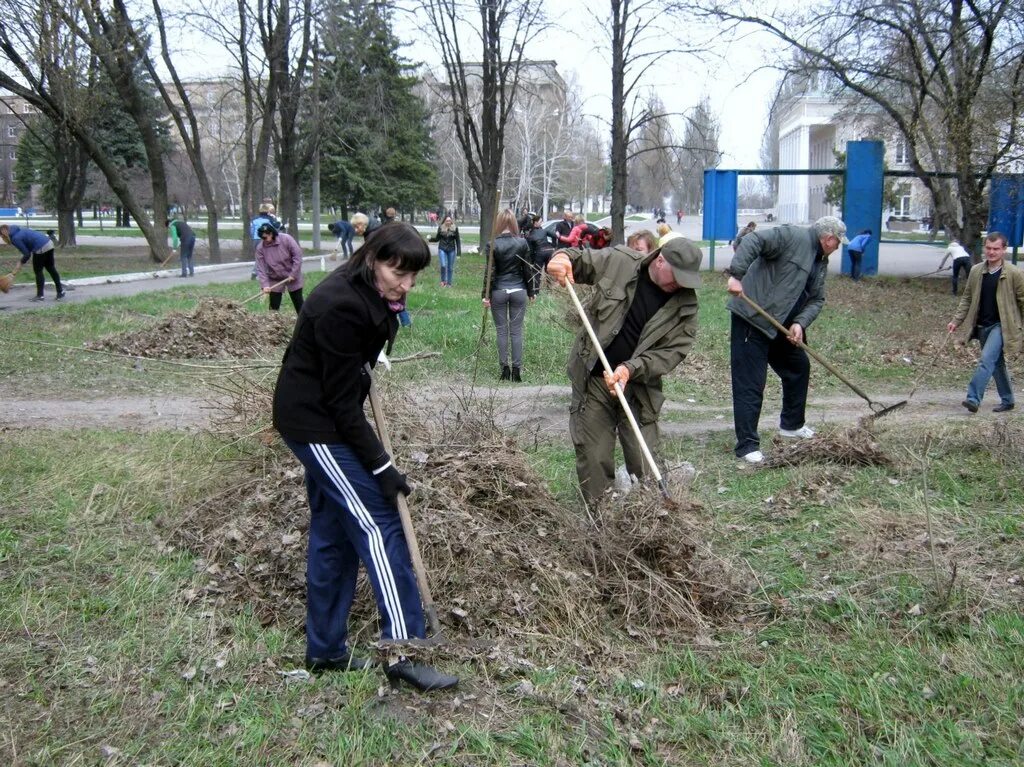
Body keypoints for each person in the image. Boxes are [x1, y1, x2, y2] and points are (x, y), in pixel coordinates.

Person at [272, 223, 458, 692]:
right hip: (317, 425)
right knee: (379, 524)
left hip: (325, 415)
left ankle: (326, 651)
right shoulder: (341, 304)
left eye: (414, 277)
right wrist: (382, 467)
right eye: (399, 272)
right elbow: (338, 405)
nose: (406, 285)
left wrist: (364, 362)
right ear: (373, 256)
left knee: (334, 534)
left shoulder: (368, 291)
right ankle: (404, 650)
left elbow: (349, 375)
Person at [547, 231, 701, 505]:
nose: (680, 285)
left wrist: (630, 369)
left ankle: (654, 522)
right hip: (594, 380)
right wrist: (561, 258)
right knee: (594, 457)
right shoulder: (620, 262)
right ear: (660, 260)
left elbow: (671, 353)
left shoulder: (686, 306)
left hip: (639, 389)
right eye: (677, 276)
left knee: (646, 462)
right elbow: (579, 260)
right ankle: (601, 527)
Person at [725, 215, 848, 464]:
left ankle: (791, 425)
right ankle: (747, 445)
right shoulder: (792, 236)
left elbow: (817, 299)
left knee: (798, 368)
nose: (837, 248)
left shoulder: (820, 260)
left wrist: (800, 323)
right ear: (829, 239)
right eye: (838, 243)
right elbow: (753, 240)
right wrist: (736, 275)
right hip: (753, 318)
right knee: (751, 382)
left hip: (782, 327)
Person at [947, 232, 1024, 414]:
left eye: (996, 249)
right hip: (981, 325)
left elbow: (1022, 300)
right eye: (988, 248)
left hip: (1003, 326)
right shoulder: (976, 271)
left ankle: (973, 399)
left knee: (986, 360)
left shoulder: (1014, 273)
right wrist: (956, 321)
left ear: (1004, 250)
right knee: (996, 364)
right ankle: (1008, 399)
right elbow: (967, 298)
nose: (991, 252)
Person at [483, 209, 535, 381]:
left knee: (501, 332)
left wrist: (486, 295)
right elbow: (527, 269)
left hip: (499, 290)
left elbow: (489, 272)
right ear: (514, 223)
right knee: (516, 331)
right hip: (518, 290)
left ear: (498, 223)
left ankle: (504, 369)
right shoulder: (522, 243)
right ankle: (517, 371)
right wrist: (531, 291)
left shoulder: (492, 244)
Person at [0, 223, 65, 302]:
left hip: (40, 247)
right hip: (49, 243)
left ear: (3, 232)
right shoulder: (19, 230)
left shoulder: (15, 238)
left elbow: (27, 254)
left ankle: (40, 296)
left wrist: (20, 263)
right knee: (51, 269)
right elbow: (29, 244)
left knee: (38, 271)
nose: (2, 238)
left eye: (1, 235)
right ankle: (60, 292)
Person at [255, 222, 305, 312]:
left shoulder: (286, 239)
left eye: (265, 237)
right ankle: (274, 323)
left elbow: (297, 256)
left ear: (272, 233)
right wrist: (265, 285)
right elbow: (260, 268)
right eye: (262, 238)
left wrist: (293, 273)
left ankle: (304, 323)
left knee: (299, 304)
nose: (264, 240)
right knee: (274, 306)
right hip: (275, 277)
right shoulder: (260, 248)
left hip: (292, 275)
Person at [428, 215, 461, 287]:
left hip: (451, 249)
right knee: (443, 265)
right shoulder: (441, 228)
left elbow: (458, 241)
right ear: (444, 221)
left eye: (449, 220)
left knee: (450, 267)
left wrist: (459, 253)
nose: (448, 222)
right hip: (442, 248)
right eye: (447, 220)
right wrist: (430, 239)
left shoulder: (455, 228)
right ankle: (443, 281)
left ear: (451, 221)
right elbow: (437, 239)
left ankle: (449, 283)